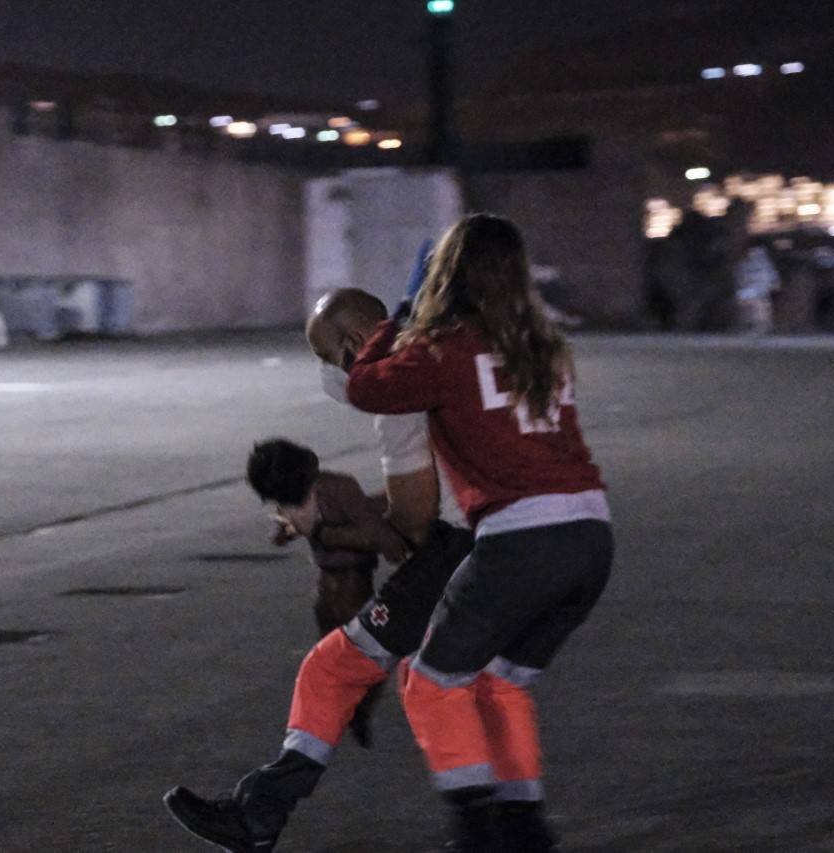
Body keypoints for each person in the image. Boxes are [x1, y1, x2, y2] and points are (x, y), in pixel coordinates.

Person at [164, 288, 474, 852]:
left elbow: (413, 522)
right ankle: (499, 827)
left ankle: (260, 816)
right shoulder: (447, 347)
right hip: (536, 535)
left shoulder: (398, 386)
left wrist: (327, 527)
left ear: (355, 344)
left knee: (367, 676)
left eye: (335, 362)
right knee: (469, 686)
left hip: (464, 547)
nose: (342, 379)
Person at [345, 213, 614, 852]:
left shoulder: (442, 350)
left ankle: (476, 833)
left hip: (524, 537)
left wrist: (400, 317)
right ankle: (524, 827)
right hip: (591, 535)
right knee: (499, 682)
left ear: (449, 273)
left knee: (432, 684)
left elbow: (363, 387)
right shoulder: (543, 344)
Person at [246, 437, 408, 746]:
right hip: (351, 584)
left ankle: (341, 714)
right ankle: (358, 708)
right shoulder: (335, 488)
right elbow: (370, 525)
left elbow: (282, 534)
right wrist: (395, 548)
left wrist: (284, 532)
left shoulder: (292, 500)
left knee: (338, 656)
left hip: (324, 586)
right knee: (374, 656)